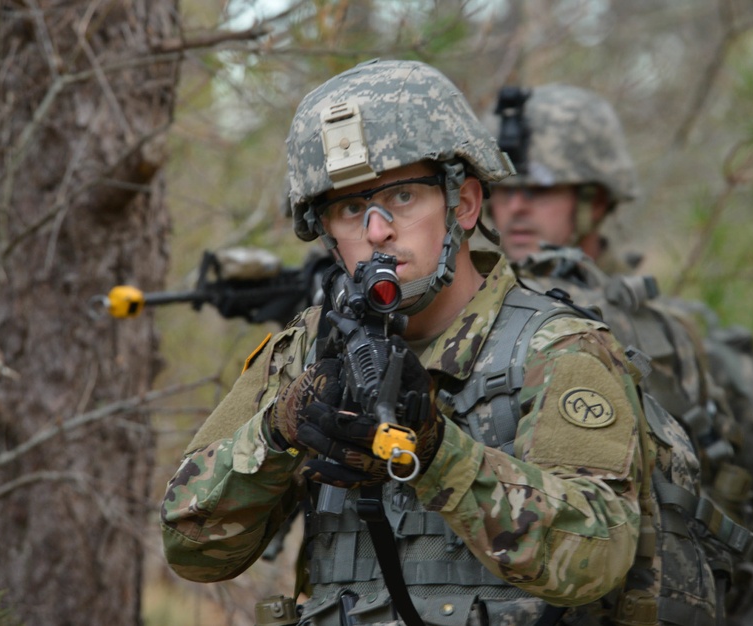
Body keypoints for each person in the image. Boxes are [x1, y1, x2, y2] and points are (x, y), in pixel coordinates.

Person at [160, 59, 655, 626]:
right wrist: (278, 433)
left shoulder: (557, 349)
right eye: (350, 208)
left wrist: (439, 454)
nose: (376, 231)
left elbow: (598, 555)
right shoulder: (306, 353)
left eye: (400, 199)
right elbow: (189, 546)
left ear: (463, 204)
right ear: (328, 234)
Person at [486, 83, 753, 625]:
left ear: (596, 201)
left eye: (543, 188)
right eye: (503, 190)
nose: (517, 206)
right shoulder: (469, 325)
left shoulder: (681, 338)